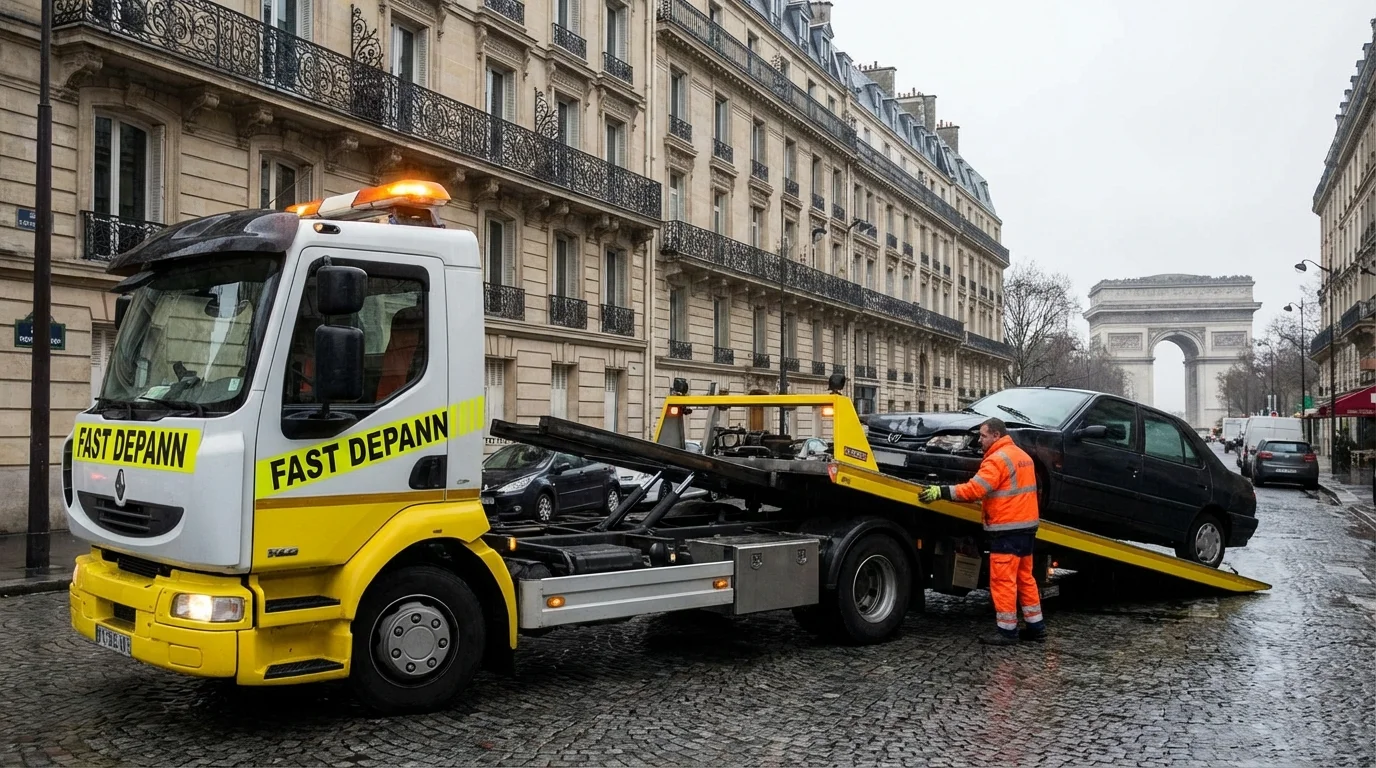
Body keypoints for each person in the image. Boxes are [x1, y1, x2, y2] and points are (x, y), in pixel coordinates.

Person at [919, 418, 1047, 645]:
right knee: (1025, 578)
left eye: (983, 435)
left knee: (1003, 581)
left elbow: (974, 490)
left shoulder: (997, 460)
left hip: (1006, 530)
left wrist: (941, 491)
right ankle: (1036, 627)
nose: (979, 440)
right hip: (1026, 528)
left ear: (996, 435)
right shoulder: (1023, 456)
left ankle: (1007, 632)